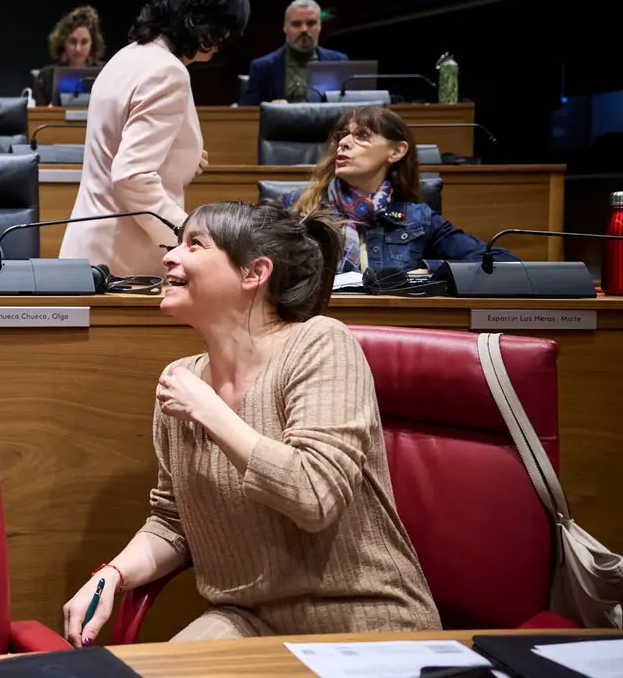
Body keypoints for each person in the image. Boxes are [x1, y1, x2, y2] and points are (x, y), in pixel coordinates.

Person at [63, 200, 442, 645]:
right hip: (246, 619)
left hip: (362, 620)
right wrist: (111, 575)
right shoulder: (183, 380)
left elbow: (314, 495)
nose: (168, 256)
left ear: (253, 274)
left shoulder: (321, 343)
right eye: (175, 244)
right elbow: (173, 521)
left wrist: (209, 410)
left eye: (194, 244)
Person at [58, 0, 249, 277]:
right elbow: (132, 176)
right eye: (224, 24)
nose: (226, 36)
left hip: (90, 249)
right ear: (201, 18)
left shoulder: (127, 56)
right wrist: (189, 237)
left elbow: (119, 144)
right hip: (124, 263)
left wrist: (183, 157)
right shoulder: (167, 71)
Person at [275, 105, 517, 272]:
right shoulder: (296, 208)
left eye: (361, 135)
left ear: (396, 151)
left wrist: (430, 270)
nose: (344, 143)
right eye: (343, 136)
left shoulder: (417, 219)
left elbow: (502, 261)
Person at [242, 0, 348, 106]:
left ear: (319, 26)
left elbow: (351, 108)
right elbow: (247, 113)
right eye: (296, 24)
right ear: (285, 27)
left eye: (311, 23)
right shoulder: (262, 67)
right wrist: (270, 108)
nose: (304, 29)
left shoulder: (339, 62)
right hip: (281, 122)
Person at [33, 5, 106, 107]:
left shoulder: (106, 73)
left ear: (92, 44)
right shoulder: (46, 77)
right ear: (63, 43)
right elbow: (38, 117)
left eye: (84, 42)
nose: (78, 49)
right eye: (73, 42)